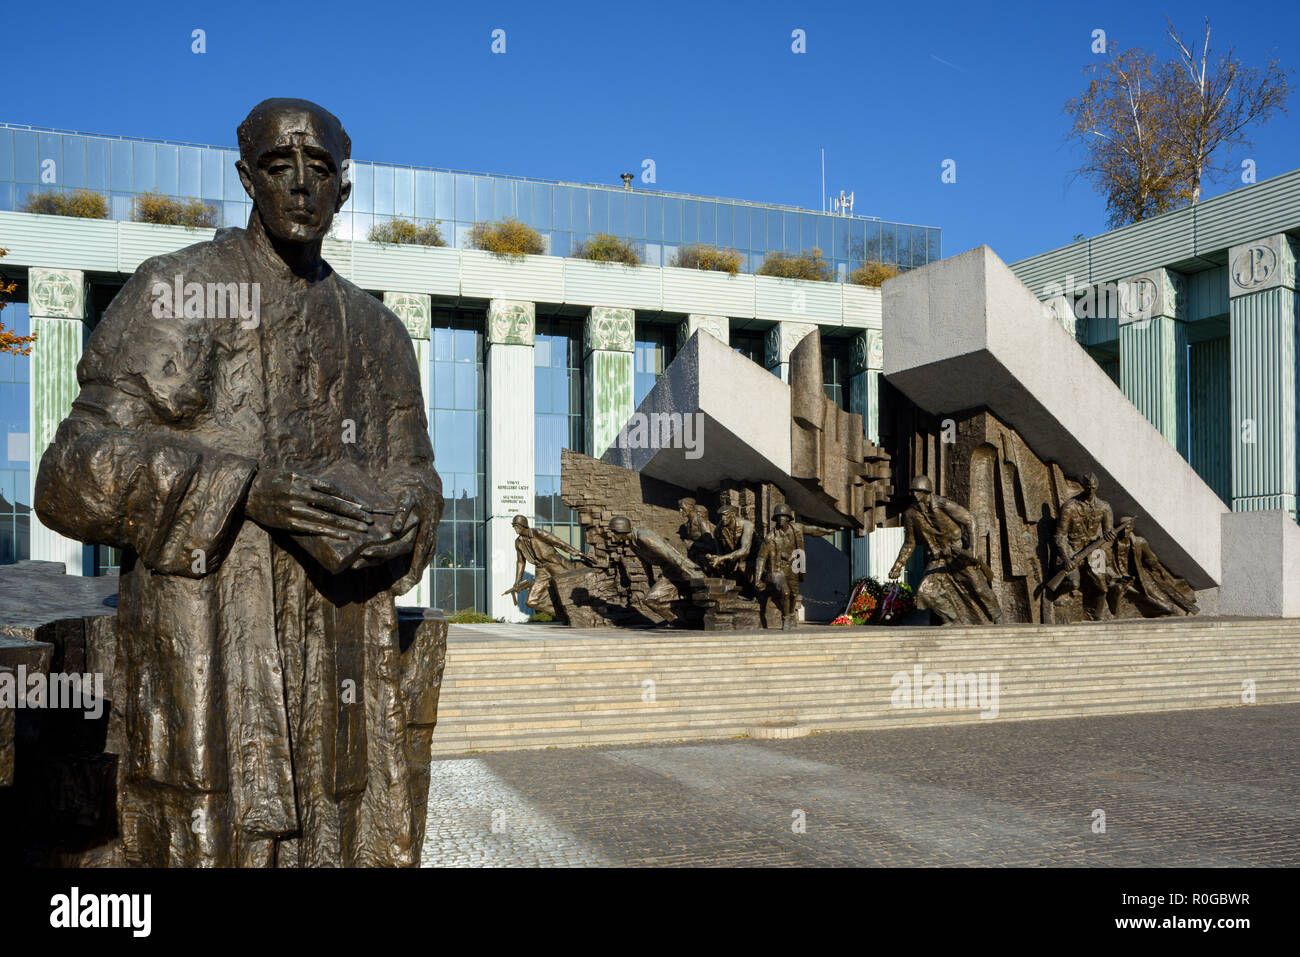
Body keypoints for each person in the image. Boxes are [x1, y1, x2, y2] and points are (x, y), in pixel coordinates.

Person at [34, 99, 444, 867]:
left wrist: (405, 517)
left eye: (318, 168)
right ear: (245, 178)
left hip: (338, 662)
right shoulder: (179, 290)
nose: (298, 185)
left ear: (343, 189)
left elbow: (416, 475)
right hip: (215, 652)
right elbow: (67, 475)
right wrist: (240, 488)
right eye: (278, 166)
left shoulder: (380, 332)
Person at [888, 476, 1002, 625]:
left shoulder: (943, 505)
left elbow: (970, 519)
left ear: (927, 491)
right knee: (926, 592)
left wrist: (974, 549)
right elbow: (909, 543)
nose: (915, 494)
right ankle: (952, 619)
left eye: (919, 491)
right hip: (938, 559)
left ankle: (999, 617)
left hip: (958, 553)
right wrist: (898, 565)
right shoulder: (910, 514)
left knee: (978, 587)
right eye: (914, 491)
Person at [606, 515, 704, 624]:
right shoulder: (633, 544)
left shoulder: (643, 537)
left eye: (614, 532)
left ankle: (681, 621)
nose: (612, 536)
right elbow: (645, 562)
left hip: (680, 569)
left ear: (621, 530)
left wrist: (690, 572)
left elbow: (669, 554)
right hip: (669, 571)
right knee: (651, 600)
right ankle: (679, 621)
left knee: (652, 599)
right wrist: (650, 578)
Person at [1052, 472, 1117, 621]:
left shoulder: (1104, 507)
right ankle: (1057, 594)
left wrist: (1108, 537)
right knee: (1073, 583)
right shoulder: (1070, 506)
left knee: (1102, 586)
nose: (1090, 490)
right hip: (1072, 549)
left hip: (1095, 550)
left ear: (1097, 487)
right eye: (1088, 487)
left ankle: (1098, 615)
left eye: (1093, 488)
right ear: (1083, 487)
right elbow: (1060, 536)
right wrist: (1066, 558)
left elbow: (1108, 534)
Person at [503, 514, 594, 617]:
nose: (514, 528)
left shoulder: (537, 533)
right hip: (541, 570)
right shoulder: (518, 542)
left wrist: (578, 553)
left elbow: (559, 543)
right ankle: (564, 615)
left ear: (522, 525)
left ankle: (583, 611)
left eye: (516, 526)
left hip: (554, 565)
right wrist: (517, 581)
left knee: (569, 591)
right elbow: (520, 562)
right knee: (532, 601)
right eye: (514, 526)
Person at [1110, 516, 1198, 617]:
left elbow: (1151, 560)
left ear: (1132, 527)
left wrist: (1162, 572)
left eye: (1128, 527)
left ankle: (1181, 609)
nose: (1125, 530)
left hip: (1140, 580)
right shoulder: (1111, 544)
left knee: (1167, 606)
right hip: (1120, 581)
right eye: (1123, 527)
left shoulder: (1139, 542)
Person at [754, 503, 804, 630]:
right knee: (786, 593)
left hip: (793, 569)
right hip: (777, 571)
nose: (780, 519)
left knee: (794, 594)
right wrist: (757, 579)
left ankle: (791, 613)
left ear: (788, 518)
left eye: (783, 516)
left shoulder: (795, 531)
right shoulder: (770, 537)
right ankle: (785, 619)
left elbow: (813, 530)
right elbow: (761, 558)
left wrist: (829, 530)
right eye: (778, 517)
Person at [706, 503, 755, 583]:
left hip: (752, 558)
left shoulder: (747, 525)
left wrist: (721, 558)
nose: (722, 518)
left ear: (732, 514)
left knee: (741, 567)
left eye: (725, 515)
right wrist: (715, 559)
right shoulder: (718, 530)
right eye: (721, 516)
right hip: (733, 560)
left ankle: (759, 590)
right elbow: (720, 553)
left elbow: (745, 550)